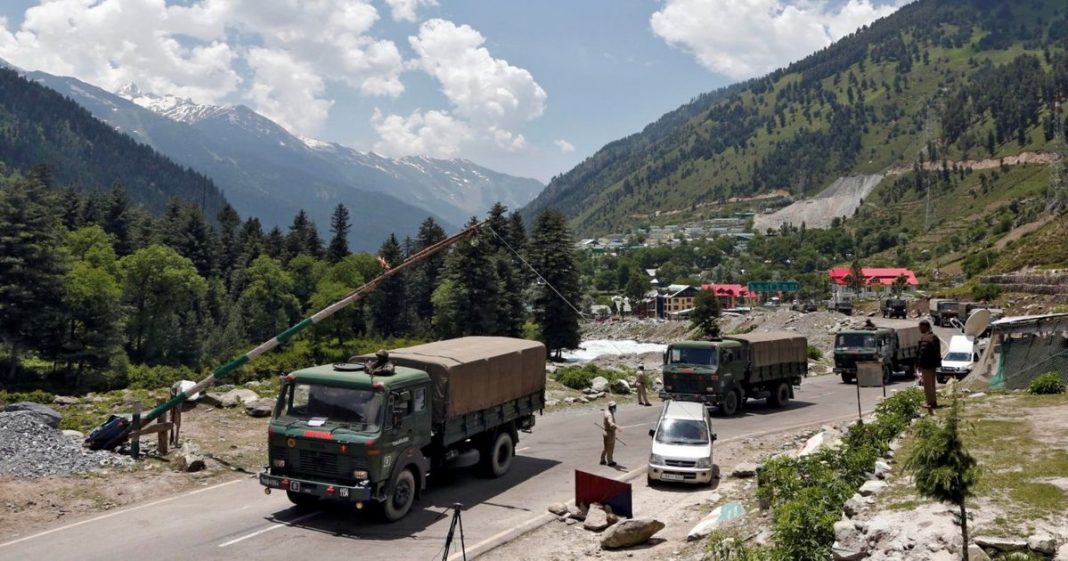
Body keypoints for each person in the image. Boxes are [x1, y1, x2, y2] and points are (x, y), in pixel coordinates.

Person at [916, 320, 941, 412]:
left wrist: (919, 364)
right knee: (931, 384)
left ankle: (930, 402)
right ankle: (932, 401)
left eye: (920, 327)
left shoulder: (928, 338)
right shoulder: (931, 337)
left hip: (927, 365)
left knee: (928, 385)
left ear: (925, 327)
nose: (919, 329)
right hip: (931, 365)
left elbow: (923, 353)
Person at [599, 401, 621, 466]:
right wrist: (617, 427)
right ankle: (610, 461)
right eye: (614, 407)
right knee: (610, 448)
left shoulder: (607, 411)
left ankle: (602, 460)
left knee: (606, 447)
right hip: (609, 433)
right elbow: (611, 423)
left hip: (605, 432)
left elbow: (604, 410)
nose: (615, 408)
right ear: (611, 407)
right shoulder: (609, 415)